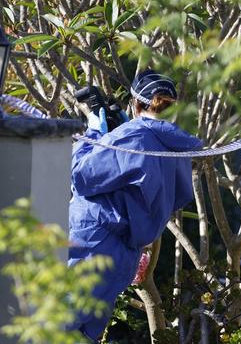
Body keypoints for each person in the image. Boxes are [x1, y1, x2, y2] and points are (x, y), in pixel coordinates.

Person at [68, 70, 203, 341]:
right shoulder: (173, 146)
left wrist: (94, 133)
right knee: (84, 334)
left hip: (93, 243)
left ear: (136, 102)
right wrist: (118, 134)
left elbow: (80, 176)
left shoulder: (133, 137)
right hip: (124, 256)